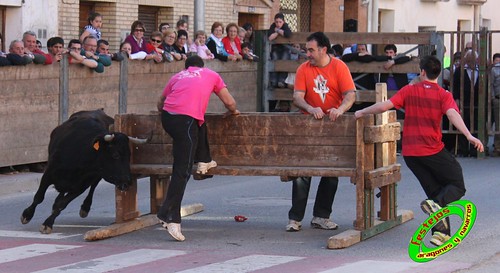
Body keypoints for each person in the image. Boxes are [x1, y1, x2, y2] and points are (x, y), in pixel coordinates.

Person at [354, 55, 484, 247]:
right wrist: (468, 135)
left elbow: (385, 106)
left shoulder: (409, 90)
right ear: (438, 74)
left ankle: (440, 234)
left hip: (411, 155)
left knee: (435, 191)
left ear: (422, 72)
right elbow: (452, 114)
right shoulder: (443, 94)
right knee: (457, 183)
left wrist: (362, 112)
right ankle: (437, 206)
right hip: (432, 150)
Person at [156, 55, 240, 241]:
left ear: (187, 68)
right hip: (184, 121)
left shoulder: (178, 76)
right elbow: (230, 103)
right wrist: (233, 111)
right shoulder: (211, 74)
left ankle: (204, 159)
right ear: (202, 67)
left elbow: (160, 103)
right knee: (182, 170)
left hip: (169, 118)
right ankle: (169, 216)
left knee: (200, 123)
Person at [286, 32, 356, 232]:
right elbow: (297, 97)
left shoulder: (339, 67)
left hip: (333, 125)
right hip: (309, 124)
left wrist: (340, 109)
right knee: (303, 171)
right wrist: (310, 108)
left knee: (331, 172)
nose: (307, 53)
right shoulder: (303, 69)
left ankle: (321, 216)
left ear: (323, 50)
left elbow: (350, 95)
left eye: (311, 50)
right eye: (307, 49)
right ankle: (295, 218)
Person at [268, 13, 292, 88]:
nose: (278, 24)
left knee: (284, 60)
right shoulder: (272, 26)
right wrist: (279, 32)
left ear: (283, 22)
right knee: (274, 60)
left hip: (285, 48)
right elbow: (270, 37)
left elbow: (288, 34)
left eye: (280, 22)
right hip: (276, 48)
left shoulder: (285, 26)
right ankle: (273, 81)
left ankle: (282, 80)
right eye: (276, 22)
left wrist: (277, 30)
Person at [490, 53, 500, 157]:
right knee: (498, 124)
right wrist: (493, 98)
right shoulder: (494, 70)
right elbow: (491, 84)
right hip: (498, 98)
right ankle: (497, 147)